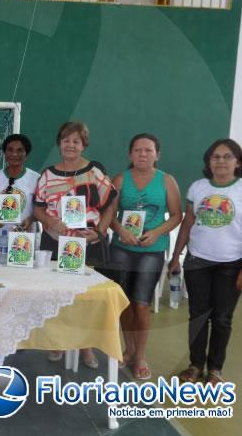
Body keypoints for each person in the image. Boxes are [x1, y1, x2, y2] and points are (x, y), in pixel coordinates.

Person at [33, 121, 117, 369]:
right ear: (59, 143)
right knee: (58, 293)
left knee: (86, 297)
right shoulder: (47, 175)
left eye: (76, 141)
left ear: (84, 145)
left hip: (86, 243)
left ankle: (85, 345)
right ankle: (59, 341)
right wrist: (50, 220)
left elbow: (112, 201)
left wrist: (100, 231)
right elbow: (37, 207)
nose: (70, 145)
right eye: (66, 140)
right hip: (55, 241)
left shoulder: (94, 173)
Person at [107, 134, 182, 380]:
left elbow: (175, 215)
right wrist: (121, 231)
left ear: (157, 155)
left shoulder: (167, 181)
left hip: (151, 250)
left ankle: (140, 356)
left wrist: (156, 232)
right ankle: (127, 350)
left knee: (141, 305)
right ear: (130, 154)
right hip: (122, 248)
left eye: (148, 150)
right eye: (137, 150)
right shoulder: (120, 179)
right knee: (124, 304)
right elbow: (110, 214)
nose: (143, 154)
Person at [169, 139, 242, 385]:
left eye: (227, 156)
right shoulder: (198, 188)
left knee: (222, 318)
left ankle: (215, 369)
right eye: (215, 157)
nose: (221, 161)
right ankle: (195, 365)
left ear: (238, 162)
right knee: (198, 315)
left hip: (231, 264)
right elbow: (187, 223)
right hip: (197, 262)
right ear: (208, 162)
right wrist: (176, 257)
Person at [0, 134, 39, 259]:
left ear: (27, 154)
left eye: (20, 150)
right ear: (4, 152)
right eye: (10, 150)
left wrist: (30, 219)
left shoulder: (35, 178)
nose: (14, 154)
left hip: (24, 241)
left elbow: (41, 209)